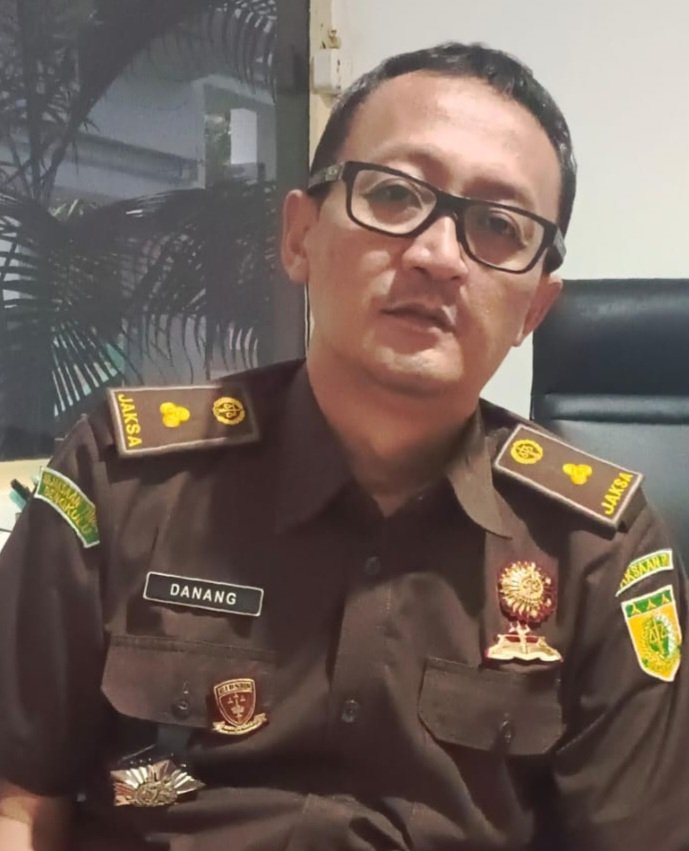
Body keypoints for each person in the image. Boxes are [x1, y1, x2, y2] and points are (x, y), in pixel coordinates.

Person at [0, 40, 688, 851]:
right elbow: (20, 795)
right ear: (299, 235)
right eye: (394, 195)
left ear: (533, 309)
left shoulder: (597, 549)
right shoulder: (122, 479)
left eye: (499, 225)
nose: (437, 256)